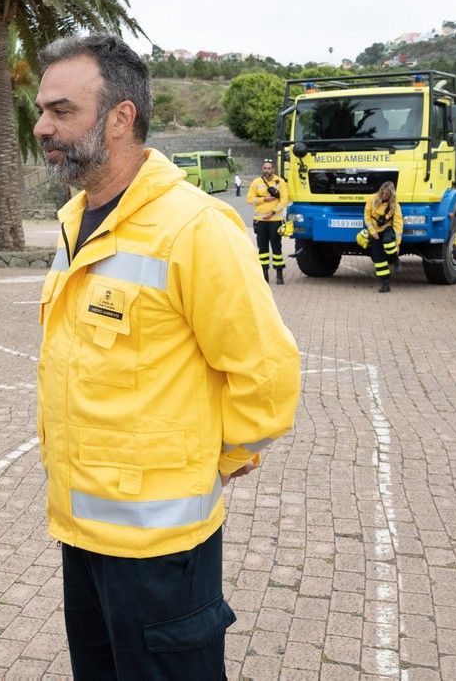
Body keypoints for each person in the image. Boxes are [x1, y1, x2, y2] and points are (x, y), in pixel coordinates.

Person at [32, 35, 300, 678]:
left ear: (120, 118)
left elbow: (266, 371)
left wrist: (224, 459)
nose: (41, 126)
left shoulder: (195, 228)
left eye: (61, 111)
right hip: (81, 532)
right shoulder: (78, 219)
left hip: (160, 550)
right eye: (40, 110)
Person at [246, 159, 290, 284]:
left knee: (277, 248)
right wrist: (264, 199)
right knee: (262, 249)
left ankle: (279, 275)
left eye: (269, 168)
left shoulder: (280, 182)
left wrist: (273, 211)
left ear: (273, 169)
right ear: (262, 169)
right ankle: (264, 276)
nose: (267, 170)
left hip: (275, 220)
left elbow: (284, 200)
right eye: (265, 168)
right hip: (260, 221)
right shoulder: (256, 182)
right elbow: (249, 199)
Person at [364, 181, 403, 293]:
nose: (384, 196)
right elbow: (367, 217)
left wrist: (398, 243)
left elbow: (398, 223)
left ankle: (395, 260)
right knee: (378, 258)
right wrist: (372, 232)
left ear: (391, 195)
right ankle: (385, 283)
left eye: (387, 194)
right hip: (375, 231)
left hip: (387, 229)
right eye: (382, 193)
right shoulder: (372, 199)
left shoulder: (395, 205)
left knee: (388, 243)